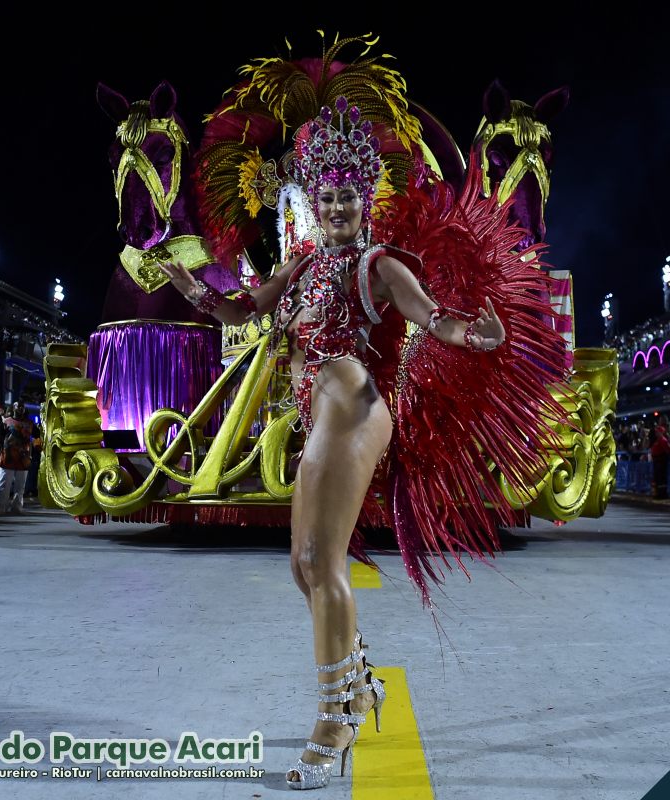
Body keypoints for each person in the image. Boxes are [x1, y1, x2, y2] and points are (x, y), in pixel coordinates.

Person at [159, 99, 511, 789]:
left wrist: (477, 335)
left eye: (350, 194)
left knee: (320, 559)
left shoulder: (379, 267)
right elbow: (241, 310)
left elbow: (432, 319)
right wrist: (193, 289)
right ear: (313, 201)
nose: (340, 206)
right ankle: (360, 685)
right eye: (328, 196)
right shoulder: (299, 265)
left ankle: (337, 719)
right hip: (318, 414)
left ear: (365, 196)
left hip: (356, 407)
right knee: (304, 566)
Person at [0, 401, 33, 515]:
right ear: (13, 408)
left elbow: (35, 438)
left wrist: (31, 454)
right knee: (4, 483)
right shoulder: (6, 422)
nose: (21, 408)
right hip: (8, 456)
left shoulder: (29, 423)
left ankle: (17, 507)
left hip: (23, 458)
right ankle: (1, 507)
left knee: (20, 485)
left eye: (22, 406)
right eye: (18, 406)